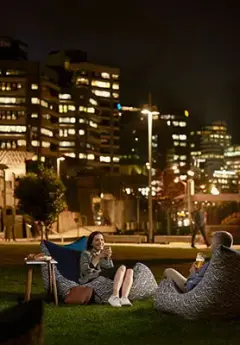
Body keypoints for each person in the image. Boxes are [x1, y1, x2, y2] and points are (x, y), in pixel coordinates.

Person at [163, 231, 233, 293]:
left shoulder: (213, 264)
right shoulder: (232, 263)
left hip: (194, 292)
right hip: (219, 294)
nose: (210, 246)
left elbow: (191, 286)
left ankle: (167, 295)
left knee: (169, 271)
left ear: (216, 245)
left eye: (212, 243)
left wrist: (193, 272)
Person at [79, 231, 134, 307]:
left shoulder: (103, 253)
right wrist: (99, 256)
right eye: (97, 240)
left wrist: (108, 258)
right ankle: (115, 296)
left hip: (103, 273)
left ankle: (124, 297)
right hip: (91, 276)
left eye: (102, 240)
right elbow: (85, 271)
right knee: (122, 267)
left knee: (130, 270)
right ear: (91, 243)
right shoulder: (86, 253)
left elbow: (111, 269)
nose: (100, 242)